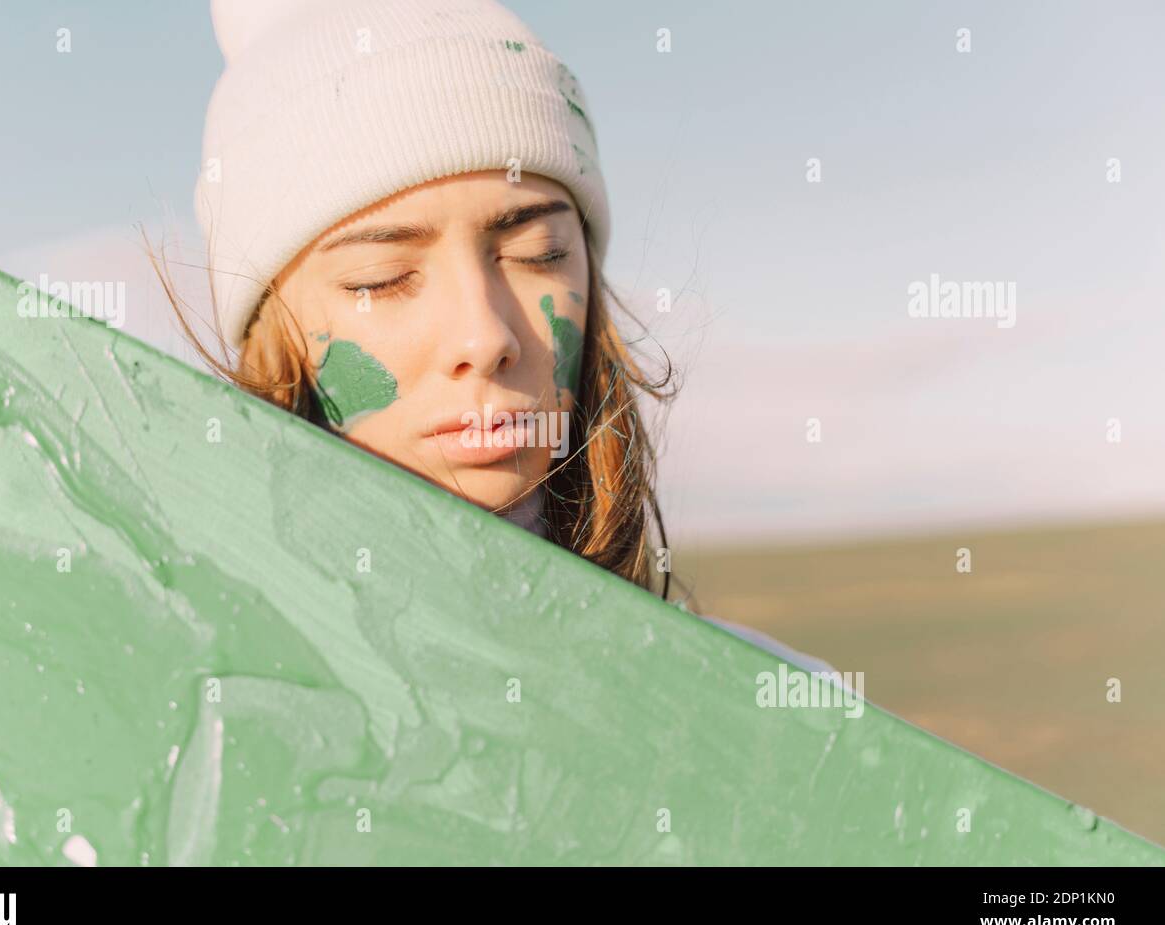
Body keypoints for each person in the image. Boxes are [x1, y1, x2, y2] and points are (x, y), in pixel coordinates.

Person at [156, 0, 827, 671]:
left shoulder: (787, 717)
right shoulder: (184, 708)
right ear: (278, 340)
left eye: (539, 250)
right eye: (382, 277)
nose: (484, 335)